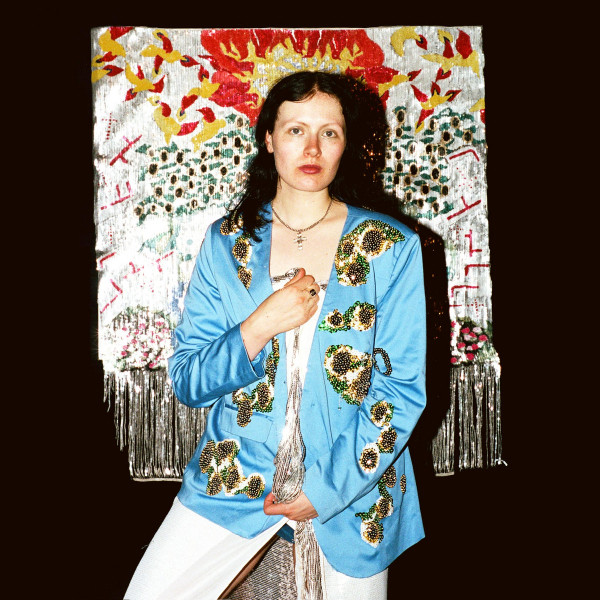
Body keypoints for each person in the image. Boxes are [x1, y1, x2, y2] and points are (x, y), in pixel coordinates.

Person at [125, 70, 427, 600]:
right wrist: (259, 325)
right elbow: (189, 380)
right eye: (295, 130)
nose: (312, 148)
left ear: (346, 144)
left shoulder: (392, 247)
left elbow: (399, 392)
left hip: (354, 492)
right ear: (268, 139)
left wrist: (325, 490)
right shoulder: (227, 243)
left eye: (329, 132)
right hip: (234, 477)